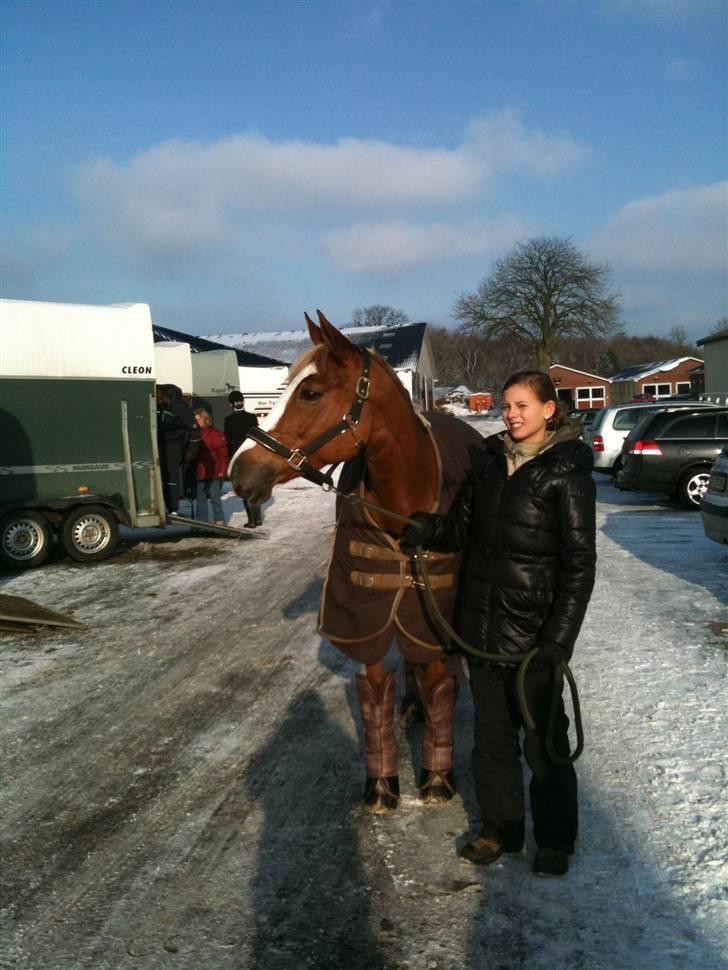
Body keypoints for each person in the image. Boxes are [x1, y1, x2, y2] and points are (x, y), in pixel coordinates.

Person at [401, 370, 596, 878]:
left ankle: (555, 840)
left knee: (545, 745)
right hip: (483, 633)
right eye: (507, 405)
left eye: (522, 405)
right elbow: (461, 528)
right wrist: (430, 528)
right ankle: (499, 831)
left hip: (534, 642)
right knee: (491, 742)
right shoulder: (489, 462)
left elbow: (580, 565)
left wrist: (557, 641)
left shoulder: (566, 473)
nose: (511, 414)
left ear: (548, 410)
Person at [156, 384, 200, 514]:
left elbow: (194, 429)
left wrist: (191, 451)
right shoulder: (165, 405)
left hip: (174, 443)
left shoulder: (178, 406)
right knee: (164, 474)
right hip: (164, 442)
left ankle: (173, 506)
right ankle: (167, 504)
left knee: (172, 475)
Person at [224, 391, 263, 527]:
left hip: (239, 458)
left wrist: (229, 460)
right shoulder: (252, 418)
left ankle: (252, 520)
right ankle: (258, 518)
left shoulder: (229, 420)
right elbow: (258, 437)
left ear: (231, 404)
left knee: (245, 489)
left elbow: (228, 441)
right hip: (253, 456)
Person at [192, 408, 229, 525]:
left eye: (199, 419)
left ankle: (219, 520)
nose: (197, 422)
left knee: (214, 497)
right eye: (196, 420)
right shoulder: (195, 434)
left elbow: (222, 454)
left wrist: (222, 470)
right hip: (201, 470)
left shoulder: (215, 434)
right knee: (200, 497)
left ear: (205, 419)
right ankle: (202, 520)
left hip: (214, 471)